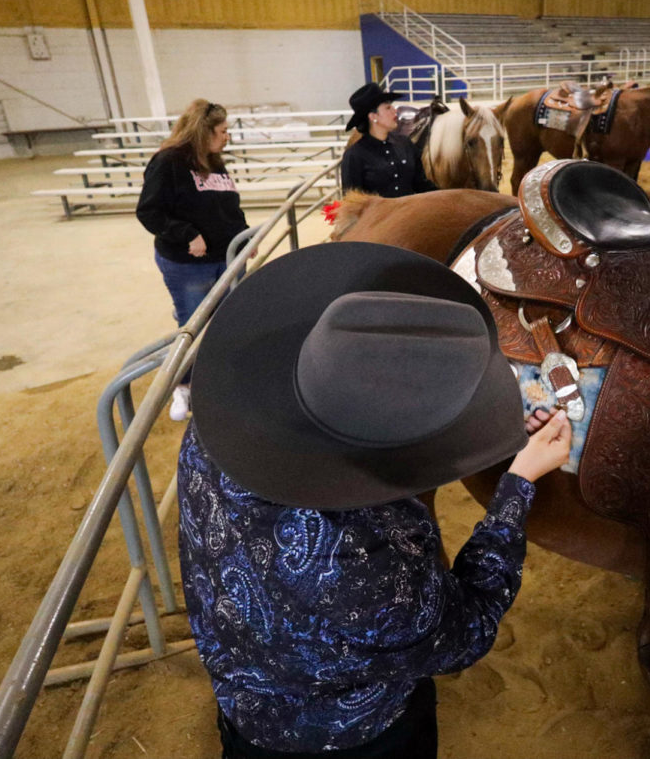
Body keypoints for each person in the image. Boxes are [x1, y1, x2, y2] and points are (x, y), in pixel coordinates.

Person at [179, 241, 572, 758]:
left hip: (244, 711)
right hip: (360, 739)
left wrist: (465, 435)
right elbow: (466, 631)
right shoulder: (369, 568)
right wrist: (518, 483)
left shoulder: (215, 436)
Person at [136, 98, 247, 422]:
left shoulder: (215, 162)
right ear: (204, 131)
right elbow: (149, 211)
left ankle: (220, 380)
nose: (227, 137)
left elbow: (230, 209)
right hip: (188, 264)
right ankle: (184, 385)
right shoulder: (168, 162)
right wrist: (185, 234)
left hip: (224, 258)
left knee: (227, 319)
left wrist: (244, 237)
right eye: (223, 131)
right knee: (193, 323)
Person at [340, 83, 438, 196]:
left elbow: (422, 185)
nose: (394, 111)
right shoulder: (354, 155)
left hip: (409, 212)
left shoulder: (405, 144)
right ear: (373, 117)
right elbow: (352, 201)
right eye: (387, 108)